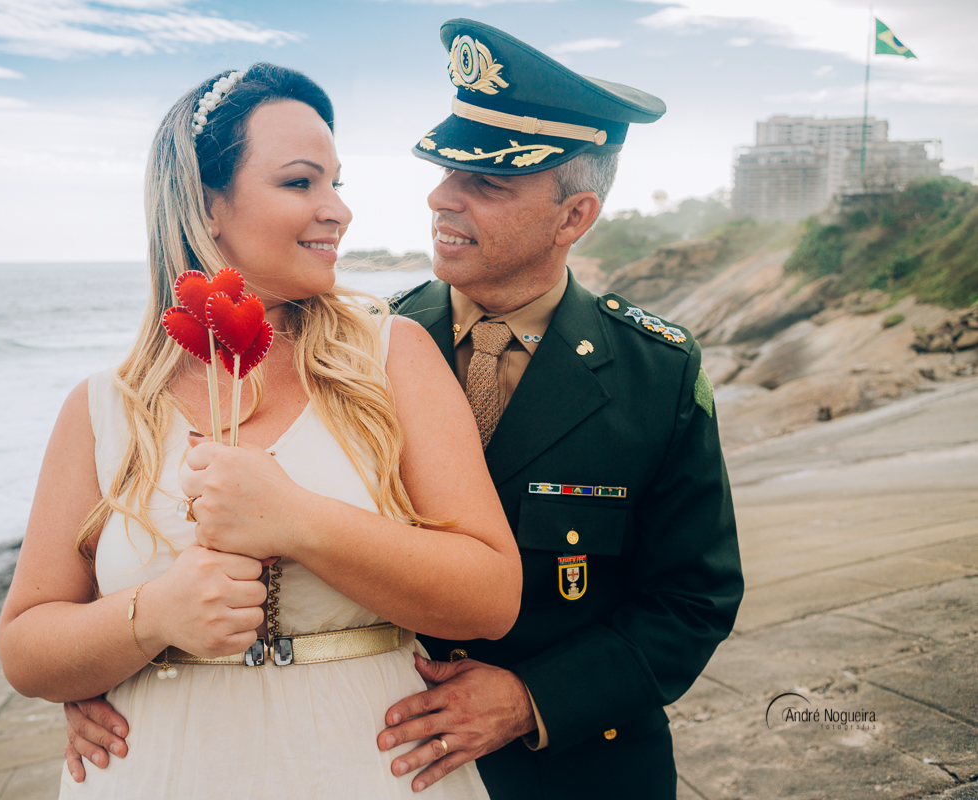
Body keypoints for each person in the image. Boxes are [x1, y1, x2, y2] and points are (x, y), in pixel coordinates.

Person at [62, 20, 743, 799]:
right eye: (447, 169)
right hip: (367, 756)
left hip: (569, 765)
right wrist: (120, 669)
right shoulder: (357, 349)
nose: (441, 197)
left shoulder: (652, 370)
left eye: (486, 183)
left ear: (573, 217)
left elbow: (693, 599)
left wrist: (533, 701)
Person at [0, 61, 521, 799]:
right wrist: (151, 617)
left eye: (337, 184)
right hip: (158, 772)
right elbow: (25, 649)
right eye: (300, 182)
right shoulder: (103, 405)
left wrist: (299, 520)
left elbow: (490, 599)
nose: (337, 210)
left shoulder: (391, 356)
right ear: (207, 204)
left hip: (367, 765)